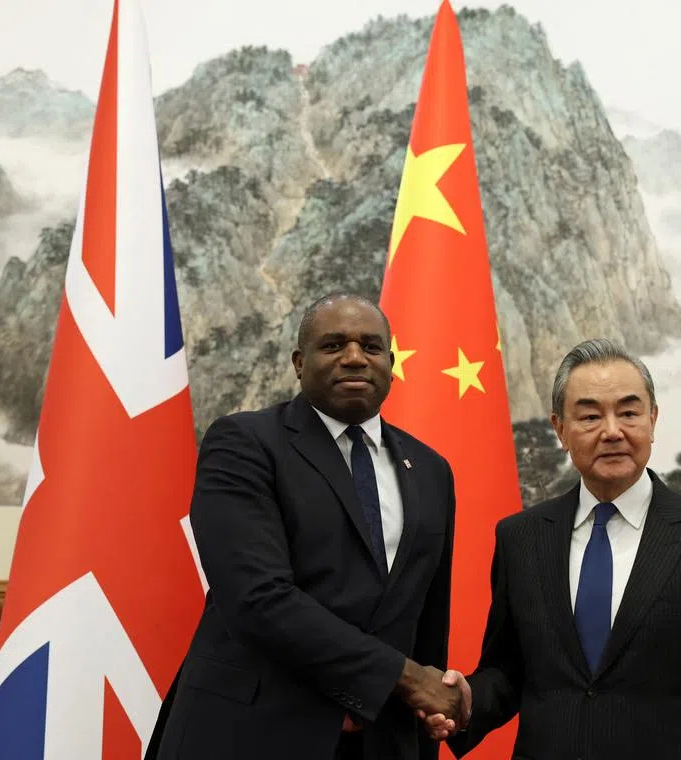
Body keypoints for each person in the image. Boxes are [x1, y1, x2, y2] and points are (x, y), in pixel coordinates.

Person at [153, 293, 465, 760]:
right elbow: (257, 599)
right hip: (251, 735)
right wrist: (406, 679)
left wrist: (431, 702)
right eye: (334, 345)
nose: (355, 358)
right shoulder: (245, 443)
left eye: (372, 347)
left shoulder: (430, 469)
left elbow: (426, 616)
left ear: (391, 363)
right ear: (300, 363)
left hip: (381, 742)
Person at [424, 338, 681, 759]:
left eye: (628, 412)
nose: (612, 431)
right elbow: (509, 669)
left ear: (653, 420)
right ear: (560, 429)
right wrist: (468, 701)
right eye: (590, 416)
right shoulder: (521, 537)